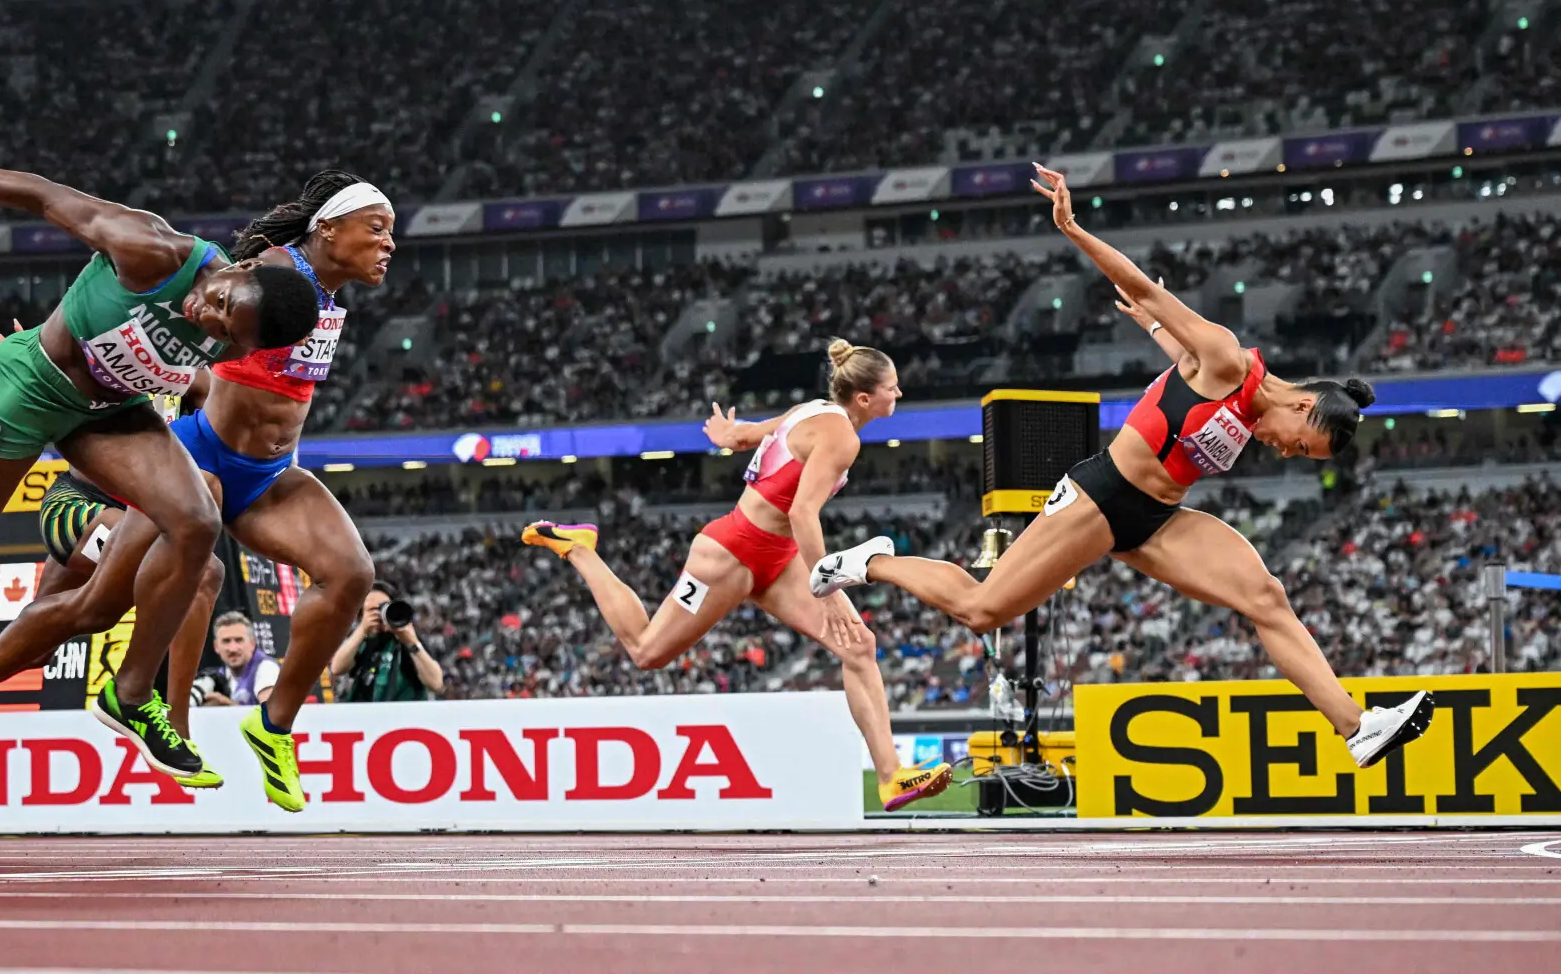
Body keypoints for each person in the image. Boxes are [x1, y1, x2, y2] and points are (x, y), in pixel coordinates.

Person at [813, 164, 1434, 770]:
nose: (1285, 451)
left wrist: (1158, 332)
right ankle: (872, 561)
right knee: (983, 610)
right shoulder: (1224, 356)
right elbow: (1145, 288)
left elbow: (1174, 365)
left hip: (1160, 518)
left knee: (1266, 597)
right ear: (1303, 404)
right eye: (1300, 444)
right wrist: (1073, 228)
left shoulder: (1241, 396)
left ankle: (1356, 727)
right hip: (1101, 497)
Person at [0, 134, 320, 837]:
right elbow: (38, 190)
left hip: (110, 414)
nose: (210, 316)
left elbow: (195, 379)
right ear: (239, 268)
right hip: (26, 390)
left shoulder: (241, 334)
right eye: (222, 301)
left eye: (231, 327)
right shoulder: (152, 250)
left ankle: (134, 695)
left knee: (196, 522)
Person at [0, 170, 393, 814]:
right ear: (329, 229)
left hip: (267, 475)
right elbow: (184, 320)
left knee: (352, 573)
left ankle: (271, 727)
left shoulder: (321, 297)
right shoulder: (266, 274)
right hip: (189, 462)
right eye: (377, 230)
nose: (389, 246)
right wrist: (61, 357)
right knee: (96, 607)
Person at [522, 340, 953, 811]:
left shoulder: (812, 410)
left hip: (779, 555)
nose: (901, 393)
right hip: (731, 553)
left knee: (858, 646)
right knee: (647, 651)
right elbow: (805, 514)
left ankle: (891, 778)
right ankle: (581, 550)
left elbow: (749, 438)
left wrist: (728, 433)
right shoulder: (841, 438)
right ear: (866, 398)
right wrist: (827, 589)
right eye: (893, 388)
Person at [0, 382, 227, 789]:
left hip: (138, 517)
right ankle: (177, 729)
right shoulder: (114, 348)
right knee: (205, 574)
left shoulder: (198, 378)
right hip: (78, 507)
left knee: (38, 647)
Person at [331, 582, 444, 702]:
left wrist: (411, 642)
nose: (379, 614)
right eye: (372, 610)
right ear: (361, 615)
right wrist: (362, 630)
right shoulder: (362, 641)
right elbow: (337, 668)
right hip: (366, 716)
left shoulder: (408, 640)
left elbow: (436, 684)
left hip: (402, 717)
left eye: (384, 607)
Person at [198, 612, 281, 707]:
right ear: (216, 646)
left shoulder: (266, 668)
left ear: (252, 644)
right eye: (226, 641)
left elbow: (270, 716)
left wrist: (227, 705)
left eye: (239, 640)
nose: (232, 648)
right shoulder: (220, 676)